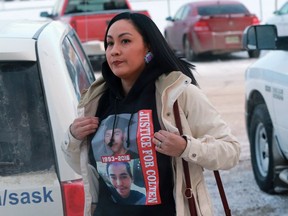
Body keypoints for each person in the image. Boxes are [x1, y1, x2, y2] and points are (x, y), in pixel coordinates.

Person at [62, 12, 241, 216]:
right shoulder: (96, 100)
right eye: (110, 44)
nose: (114, 51)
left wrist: (186, 147)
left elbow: (231, 151)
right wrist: (73, 138)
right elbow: (86, 170)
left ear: (148, 47)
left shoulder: (177, 94)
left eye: (125, 41)